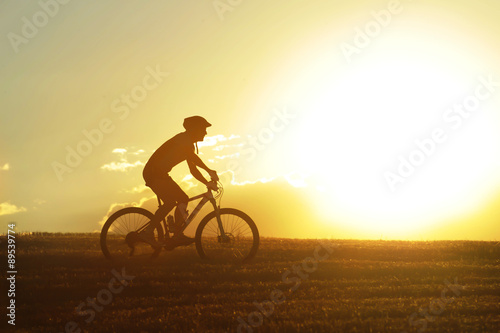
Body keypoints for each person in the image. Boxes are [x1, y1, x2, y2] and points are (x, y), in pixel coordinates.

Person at [139, 116, 219, 250]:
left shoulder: (188, 144)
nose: (205, 132)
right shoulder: (183, 139)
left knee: (181, 199)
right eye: (203, 129)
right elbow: (193, 158)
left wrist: (206, 182)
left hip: (159, 173)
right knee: (174, 201)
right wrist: (209, 170)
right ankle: (149, 233)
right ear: (195, 129)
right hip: (154, 172)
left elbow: (193, 169)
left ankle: (176, 235)